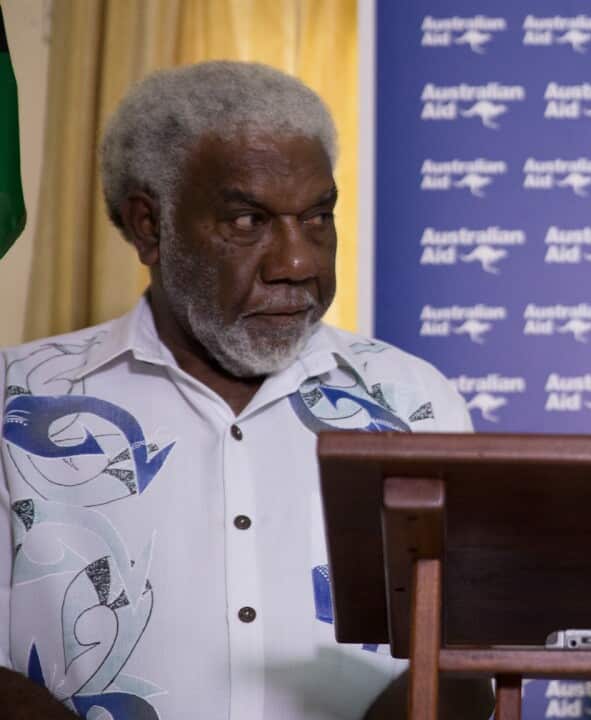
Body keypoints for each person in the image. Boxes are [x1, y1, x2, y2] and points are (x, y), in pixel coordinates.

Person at [0, 61, 491, 720]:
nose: (298, 263)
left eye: (319, 217)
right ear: (151, 226)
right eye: (247, 222)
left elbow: (467, 660)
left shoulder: (413, 401)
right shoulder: (17, 397)